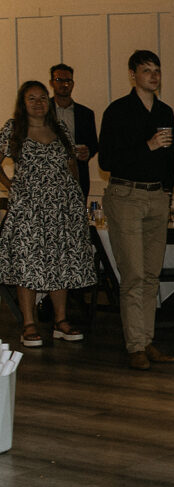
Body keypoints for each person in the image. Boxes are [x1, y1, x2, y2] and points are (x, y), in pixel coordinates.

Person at [98, 49, 174, 370]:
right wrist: (148, 146)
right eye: (147, 71)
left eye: (157, 70)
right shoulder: (117, 111)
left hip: (157, 196)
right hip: (126, 195)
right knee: (132, 275)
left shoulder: (165, 111)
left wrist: (170, 192)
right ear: (133, 75)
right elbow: (106, 161)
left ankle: (147, 340)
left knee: (150, 275)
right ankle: (135, 346)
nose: (154, 76)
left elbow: (169, 160)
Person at [0, 82, 95, 347]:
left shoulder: (60, 128)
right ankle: (29, 324)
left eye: (43, 98)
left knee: (61, 262)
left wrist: (75, 197)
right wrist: (11, 187)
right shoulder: (13, 129)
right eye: (32, 98)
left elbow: (71, 165)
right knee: (28, 264)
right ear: (23, 102)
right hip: (28, 210)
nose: (39, 103)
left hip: (62, 208)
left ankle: (60, 321)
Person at [49, 64, 98, 202]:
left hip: (78, 175)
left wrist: (88, 152)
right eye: (59, 80)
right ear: (51, 82)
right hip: (49, 176)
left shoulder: (85, 113)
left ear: (73, 83)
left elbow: (94, 143)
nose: (64, 84)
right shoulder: (44, 111)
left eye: (68, 81)